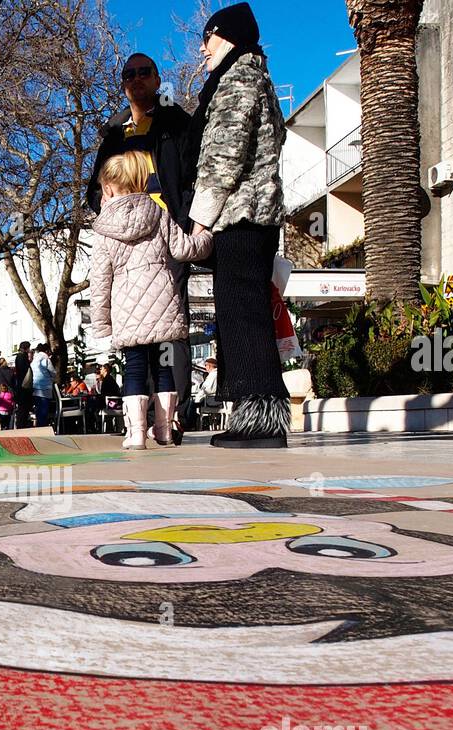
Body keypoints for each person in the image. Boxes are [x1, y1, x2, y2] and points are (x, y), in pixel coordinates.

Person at [182, 3, 289, 448]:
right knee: (239, 312)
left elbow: (224, 155)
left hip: (240, 216)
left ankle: (261, 415)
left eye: (207, 38)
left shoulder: (238, 78)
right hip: (252, 215)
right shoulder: (255, 78)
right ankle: (254, 412)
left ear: (226, 36)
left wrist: (199, 220)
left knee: (241, 312)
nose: (202, 48)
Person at [89, 151, 213, 449]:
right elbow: (184, 250)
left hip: (127, 311)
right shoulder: (159, 214)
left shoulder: (104, 230)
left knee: (133, 369)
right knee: (162, 367)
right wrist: (205, 236)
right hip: (162, 305)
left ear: (107, 188)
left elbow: (99, 282)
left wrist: (101, 324)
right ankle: (164, 430)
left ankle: (135, 434)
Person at [87, 53, 192, 225]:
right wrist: (103, 201)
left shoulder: (179, 124)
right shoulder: (112, 137)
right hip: (125, 233)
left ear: (157, 81)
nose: (136, 78)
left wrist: (184, 224)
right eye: (129, 75)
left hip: (170, 233)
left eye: (144, 72)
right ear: (123, 85)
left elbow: (194, 180)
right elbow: (94, 191)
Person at [30, 343, 55, 427]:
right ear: (47, 351)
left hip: (35, 387)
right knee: (44, 410)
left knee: (38, 409)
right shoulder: (45, 359)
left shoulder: (34, 359)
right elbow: (53, 372)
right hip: (45, 388)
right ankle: (43, 426)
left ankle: (39, 427)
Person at [13, 341, 33, 430]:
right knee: (24, 408)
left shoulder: (18, 357)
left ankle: (21, 425)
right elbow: (25, 371)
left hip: (20, 387)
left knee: (22, 408)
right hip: (24, 387)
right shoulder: (23, 357)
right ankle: (22, 425)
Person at [0, 355, 17, 429]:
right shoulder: (11, 371)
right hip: (10, 393)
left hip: (0, 392)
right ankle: (10, 428)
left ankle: (1, 428)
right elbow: (14, 383)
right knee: (11, 413)